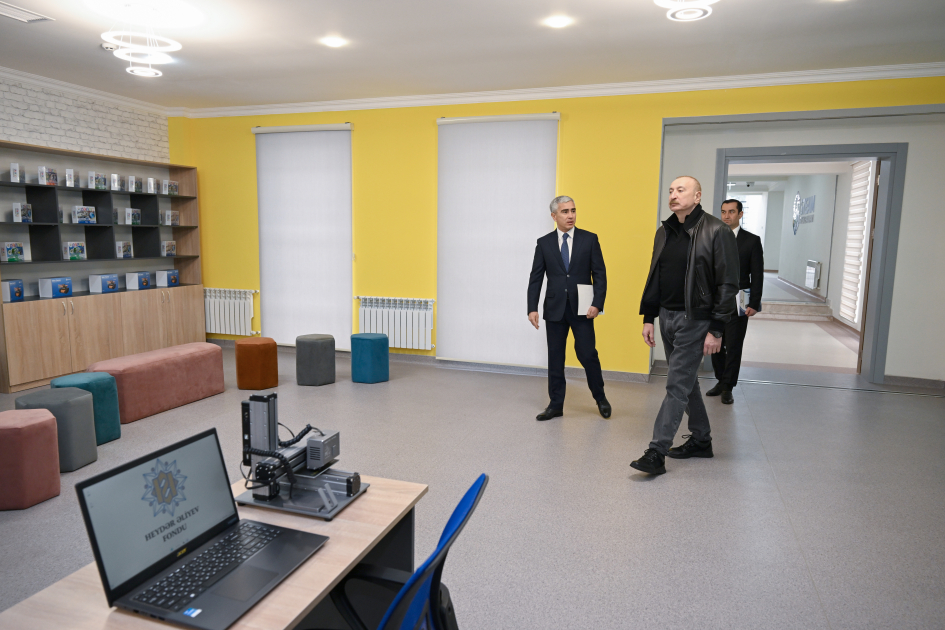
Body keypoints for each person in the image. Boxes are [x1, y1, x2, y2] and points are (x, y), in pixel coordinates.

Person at [632, 176, 738, 475]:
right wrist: (648, 317)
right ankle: (701, 440)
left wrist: (716, 329)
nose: (674, 195)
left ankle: (656, 451)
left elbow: (728, 283)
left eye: (681, 190)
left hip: (696, 319)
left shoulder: (717, 230)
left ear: (698, 196)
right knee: (687, 381)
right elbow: (655, 275)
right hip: (666, 316)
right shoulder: (664, 231)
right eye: (671, 190)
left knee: (676, 384)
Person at [527, 195, 611, 421]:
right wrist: (532, 307)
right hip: (554, 309)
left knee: (588, 354)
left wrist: (597, 303)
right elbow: (536, 278)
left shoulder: (589, 239)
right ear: (554, 216)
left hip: (583, 308)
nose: (570, 215)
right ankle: (556, 405)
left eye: (573, 210)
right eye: (565, 211)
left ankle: (601, 398)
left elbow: (600, 274)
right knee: (555, 358)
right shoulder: (544, 243)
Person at [707, 199, 764, 404]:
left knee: (733, 345)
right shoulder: (713, 237)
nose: (726, 216)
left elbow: (757, 273)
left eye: (731, 212)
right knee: (715, 342)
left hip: (739, 300)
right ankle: (720, 380)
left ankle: (728, 387)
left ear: (740, 214)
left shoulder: (751, 241)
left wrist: (754, 302)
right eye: (723, 212)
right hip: (715, 300)